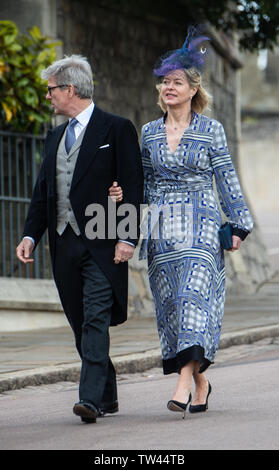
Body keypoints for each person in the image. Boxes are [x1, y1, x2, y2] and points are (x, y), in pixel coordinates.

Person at [109, 27, 253, 418]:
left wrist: (238, 224)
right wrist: (127, 218)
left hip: (202, 223)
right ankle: (201, 380)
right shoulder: (150, 133)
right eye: (164, 83)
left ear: (193, 89)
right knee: (172, 305)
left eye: (177, 82)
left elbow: (226, 177)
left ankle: (182, 384)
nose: (168, 88)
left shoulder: (212, 131)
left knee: (193, 298)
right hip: (161, 226)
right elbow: (142, 183)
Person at [16, 55, 143, 423]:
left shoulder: (116, 129)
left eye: (51, 90)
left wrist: (127, 238)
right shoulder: (54, 135)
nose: (48, 97)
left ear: (69, 89)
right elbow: (44, 191)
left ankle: (89, 399)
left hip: (104, 241)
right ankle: (108, 393)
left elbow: (132, 185)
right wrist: (30, 235)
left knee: (95, 320)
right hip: (63, 243)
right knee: (78, 320)